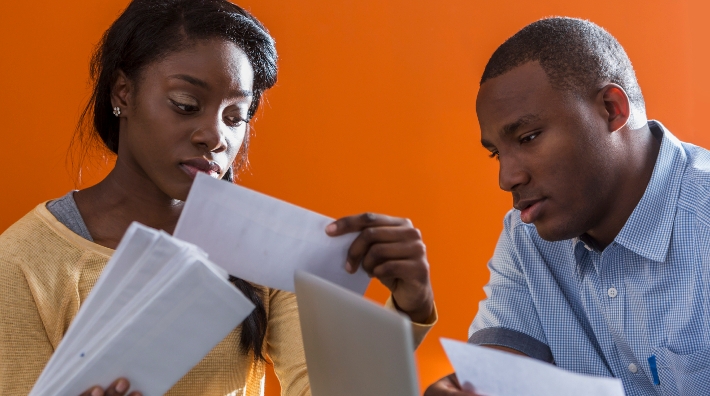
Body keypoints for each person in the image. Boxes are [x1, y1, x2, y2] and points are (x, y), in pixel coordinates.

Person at [0, 1, 437, 395]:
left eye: (235, 117)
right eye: (186, 104)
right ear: (123, 93)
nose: (215, 136)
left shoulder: (260, 245)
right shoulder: (23, 261)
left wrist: (407, 310)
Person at [425, 17, 710, 396]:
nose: (507, 178)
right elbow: (498, 375)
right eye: (496, 154)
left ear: (612, 109)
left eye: (528, 137)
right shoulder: (527, 235)